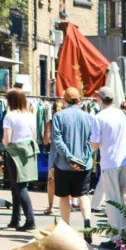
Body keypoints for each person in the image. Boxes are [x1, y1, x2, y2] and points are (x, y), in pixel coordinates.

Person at [90, 86, 126, 246]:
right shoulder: (123, 113)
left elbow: (94, 146)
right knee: (120, 198)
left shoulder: (99, 117)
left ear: (100, 99)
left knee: (112, 201)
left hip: (110, 162)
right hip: (125, 161)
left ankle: (118, 239)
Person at [50, 87, 95, 236]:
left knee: (64, 196)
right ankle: (87, 223)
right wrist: (83, 158)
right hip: (84, 164)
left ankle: (66, 228)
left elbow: (57, 140)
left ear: (64, 100)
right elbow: (92, 141)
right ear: (79, 101)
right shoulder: (88, 117)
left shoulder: (59, 116)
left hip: (64, 164)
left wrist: (69, 157)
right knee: (83, 194)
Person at [2, 88, 38, 231]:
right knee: (17, 186)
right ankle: (15, 219)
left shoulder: (10, 116)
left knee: (19, 187)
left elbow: (7, 139)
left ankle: (30, 220)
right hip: (28, 152)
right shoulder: (30, 115)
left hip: (14, 153)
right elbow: (34, 136)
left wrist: (4, 143)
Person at [43, 99, 66, 216]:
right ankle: (57, 206)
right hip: (61, 156)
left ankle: (53, 206)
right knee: (58, 181)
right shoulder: (64, 122)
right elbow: (46, 140)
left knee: (52, 182)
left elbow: (46, 141)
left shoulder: (55, 123)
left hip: (57, 155)